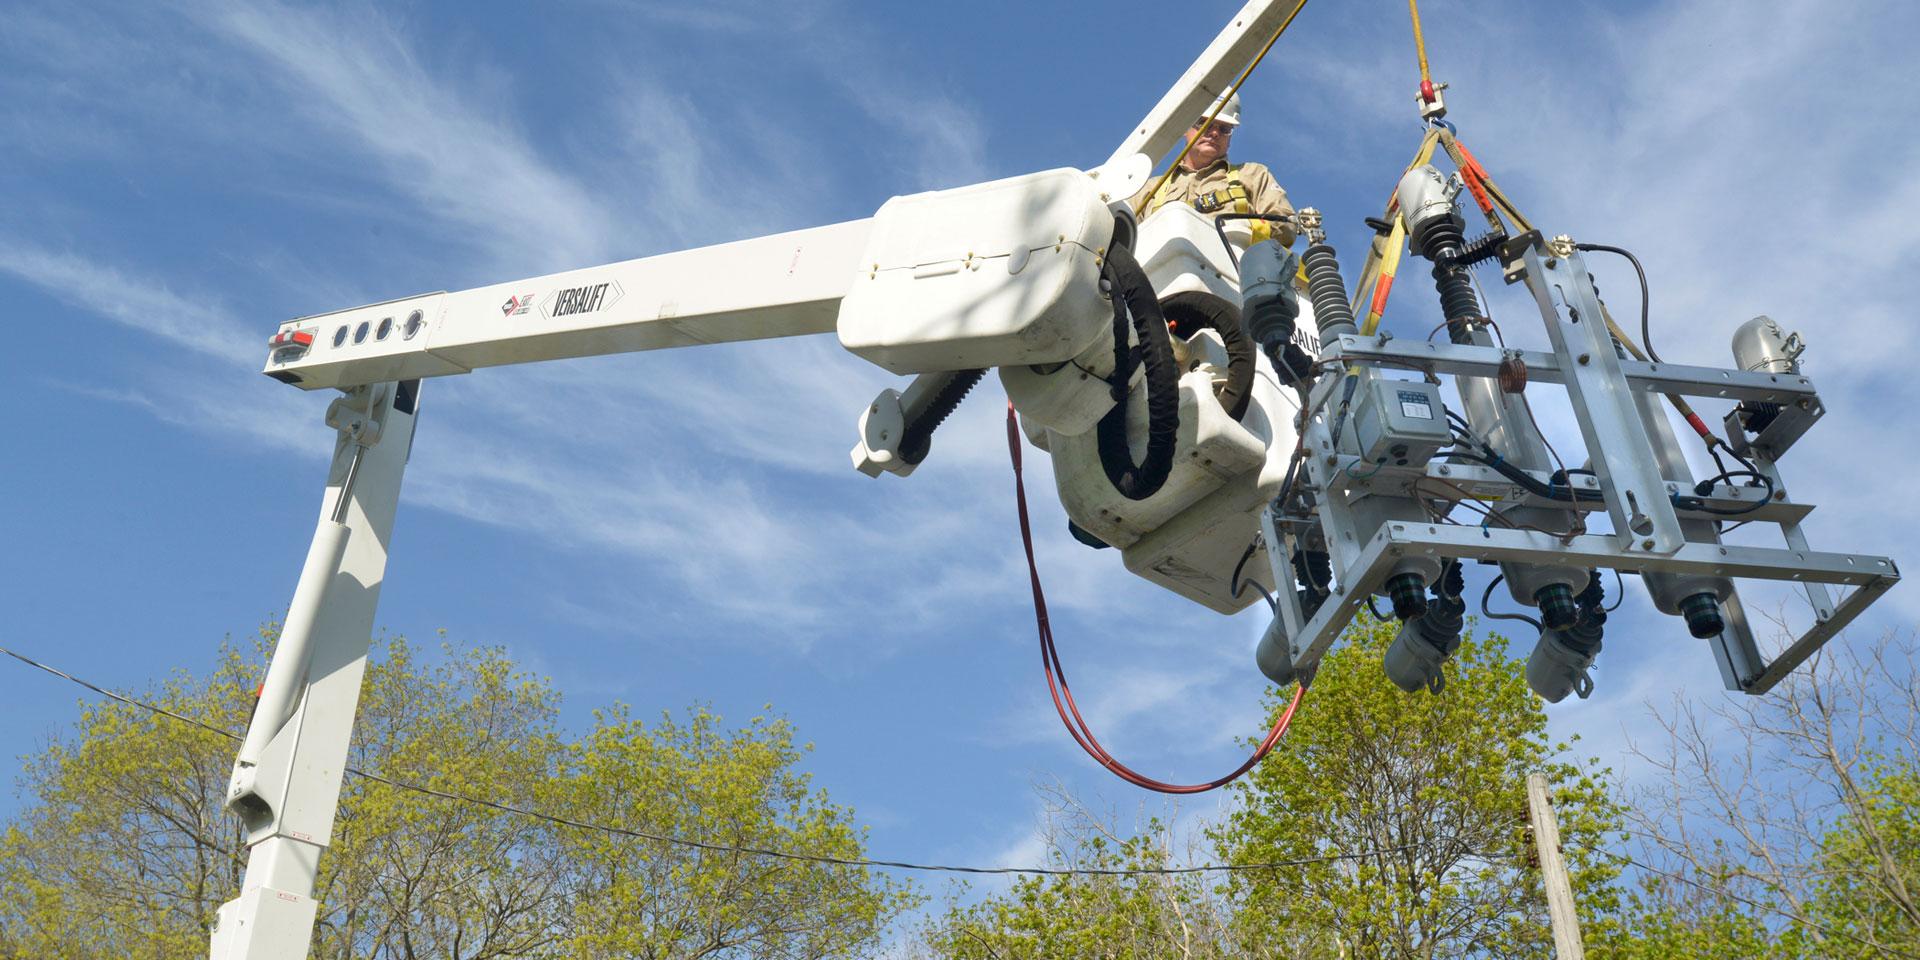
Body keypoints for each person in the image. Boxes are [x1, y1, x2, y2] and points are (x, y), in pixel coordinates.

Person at [1132, 93, 1297, 247]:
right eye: (1205, 123)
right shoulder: (1149, 190)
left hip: (1228, 271)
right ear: (1185, 127)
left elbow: (1286, 226)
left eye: (1225, 129)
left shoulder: (1252, 174)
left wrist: (1242, 230)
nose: (1215, 133)